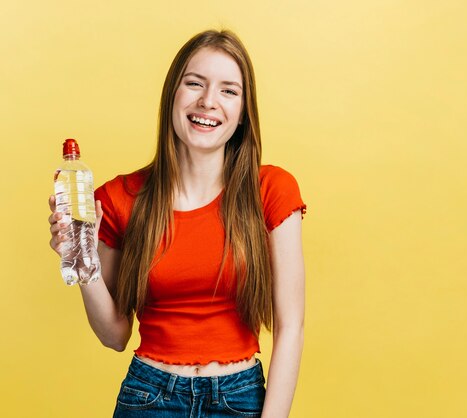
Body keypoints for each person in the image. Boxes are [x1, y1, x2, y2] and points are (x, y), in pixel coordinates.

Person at [47, 29, 306, 417]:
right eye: (194, 83)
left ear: (243, 114)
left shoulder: (271, 190)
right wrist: (81, 263)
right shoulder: (119, 198)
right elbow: (114, 335)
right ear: (172, 95)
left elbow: (290, 329)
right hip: (148, 398)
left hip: (240, 400)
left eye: (228, 91)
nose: (208, 102)